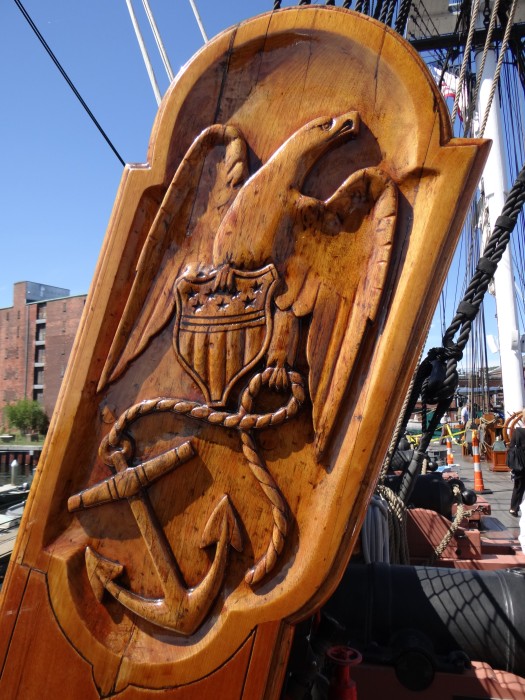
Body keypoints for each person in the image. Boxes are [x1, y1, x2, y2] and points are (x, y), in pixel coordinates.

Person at [508, 410, 525, 517]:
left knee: (518, 487)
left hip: (519, 464)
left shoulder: (517, 432)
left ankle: (513, 508)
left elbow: (511, 447)